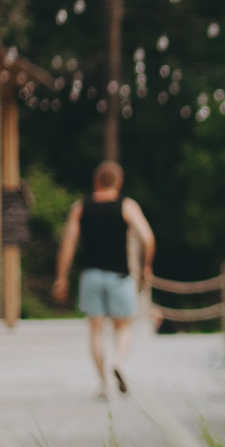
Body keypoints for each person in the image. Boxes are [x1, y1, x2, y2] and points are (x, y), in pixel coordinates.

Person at [53, 160, 156, 399]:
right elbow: (148, 239)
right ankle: (118, 362)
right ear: (118, 183)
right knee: (124, 326)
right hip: (119, 275)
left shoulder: (81, 207)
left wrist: (61, 277)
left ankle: (102, 385)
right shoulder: (126, 206)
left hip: (90, 275)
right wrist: (147, 267)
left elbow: (67, 244)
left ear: (96, 181)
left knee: (96, 331)